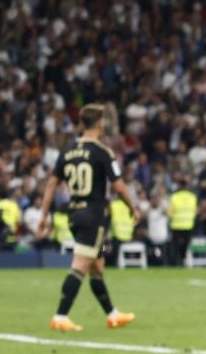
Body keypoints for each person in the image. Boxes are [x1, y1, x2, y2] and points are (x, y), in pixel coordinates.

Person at [33, 104, 142, 331]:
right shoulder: (102, 152)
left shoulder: (67, 151)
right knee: (81, 265)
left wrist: (43, 215)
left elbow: (52, 184)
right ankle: (61, 315)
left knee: (97, 266)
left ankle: (112, 314)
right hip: (94, 215)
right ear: (100, 123)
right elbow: (119, 186)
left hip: (75, 213)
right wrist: (132, 207)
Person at [168, 176, 197, 266]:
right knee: (186, 246)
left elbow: (170, 213)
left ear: (179, 186)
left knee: (175, 246)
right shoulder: (192, 197)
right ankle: (184, 260)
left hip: (176, 225)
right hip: (188, 225)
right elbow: (194, 211)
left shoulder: (174, 197)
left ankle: (176, 262)